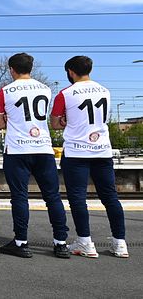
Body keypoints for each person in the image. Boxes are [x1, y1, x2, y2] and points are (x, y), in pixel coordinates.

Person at [50, 55, 128, 258]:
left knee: (77, 198)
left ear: (70, 72)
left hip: (76, 152)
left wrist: (68, 122)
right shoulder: (105, 91)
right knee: (110, 197)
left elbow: (56, 123)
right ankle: (120, 243)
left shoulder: (65, 93)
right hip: (102, 150)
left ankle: (85, 242)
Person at [0, 53, 70, 259]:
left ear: (12, 69)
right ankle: (61, 243)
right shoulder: (45, 89)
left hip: (17, 150)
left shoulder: (5, 92)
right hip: (43, 148)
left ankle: (21, 242)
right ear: (31, 68)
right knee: (52, 196)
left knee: (19, 196)